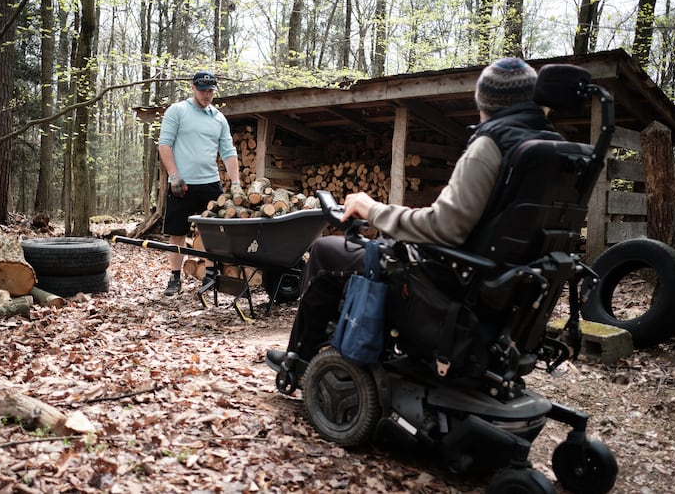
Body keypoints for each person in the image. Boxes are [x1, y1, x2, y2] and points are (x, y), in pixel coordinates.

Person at [266, 57, 560, 371]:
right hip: (505, 285)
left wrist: (372, 210)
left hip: (449, 280)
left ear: (484, 102)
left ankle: (300, 360)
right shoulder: (554, 149)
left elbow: (445, 226)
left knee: (326, 251)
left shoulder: (491, 146)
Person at [158, 70, 241, 296]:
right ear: (193, 88)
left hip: (210, 183)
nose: (207, 95)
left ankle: (211, 276)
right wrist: (174, 175)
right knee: (177, 232)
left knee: (213, 232)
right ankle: (175, 277)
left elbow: (228, 151)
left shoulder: (218, 118)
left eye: (210, 91)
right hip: (182, 183)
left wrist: (235, 183)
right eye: (202, 90)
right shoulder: (178, 111)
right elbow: (164, 144)